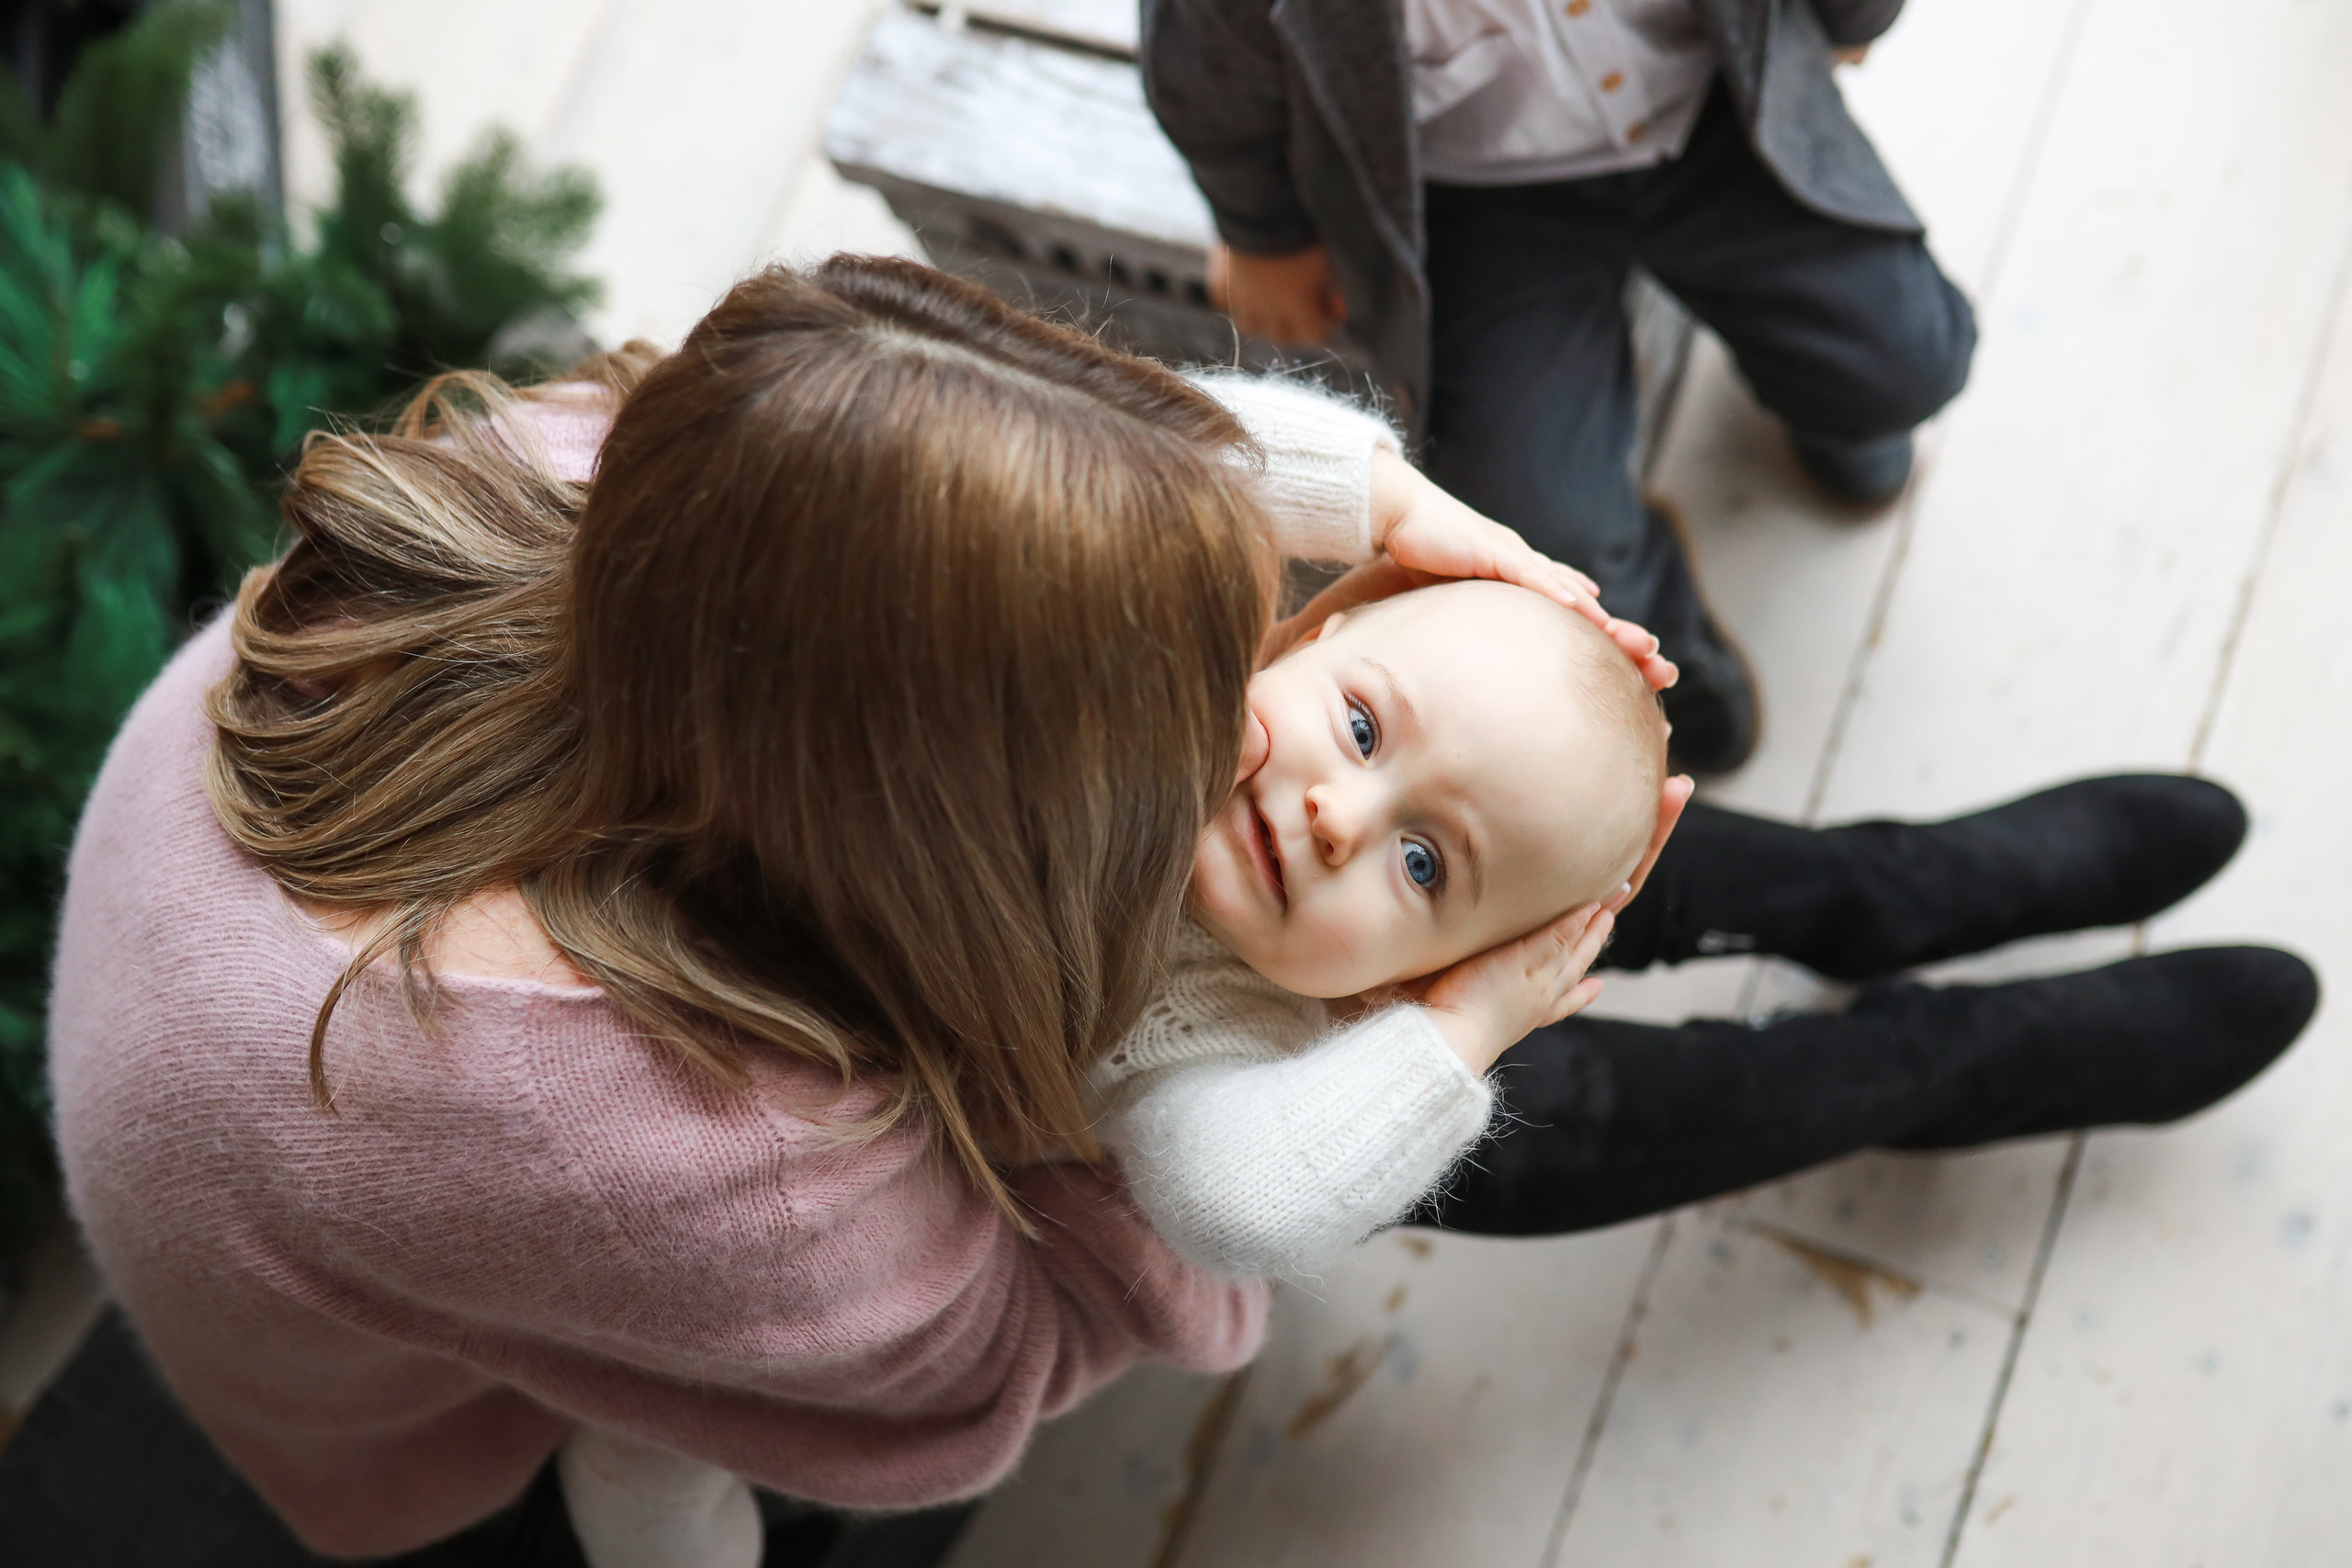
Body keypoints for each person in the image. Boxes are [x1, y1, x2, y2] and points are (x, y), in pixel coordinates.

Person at [45, 260, 2312, 1568]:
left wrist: (1413, 550)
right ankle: (1936, 1057)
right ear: (946, 839)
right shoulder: (706, 1146)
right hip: (446, 1362)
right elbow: (1069, 1313)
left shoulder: (652, 471)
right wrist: (1455, 1021)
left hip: (445, 975)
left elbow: (1087, 464)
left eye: (1281, 674)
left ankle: (1883, 885)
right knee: (1529, 1076)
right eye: (1287, 709)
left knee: (1531, 817)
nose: (1301, 799)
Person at [1140, 0, 1978, 773]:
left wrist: (1849, 14)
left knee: (1905, 359)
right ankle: (1660, 622)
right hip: (1477, 191)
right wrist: (1266, 232)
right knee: (1533, 521)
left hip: (1709, 101)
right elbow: (1205, 80)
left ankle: (1831, 400)